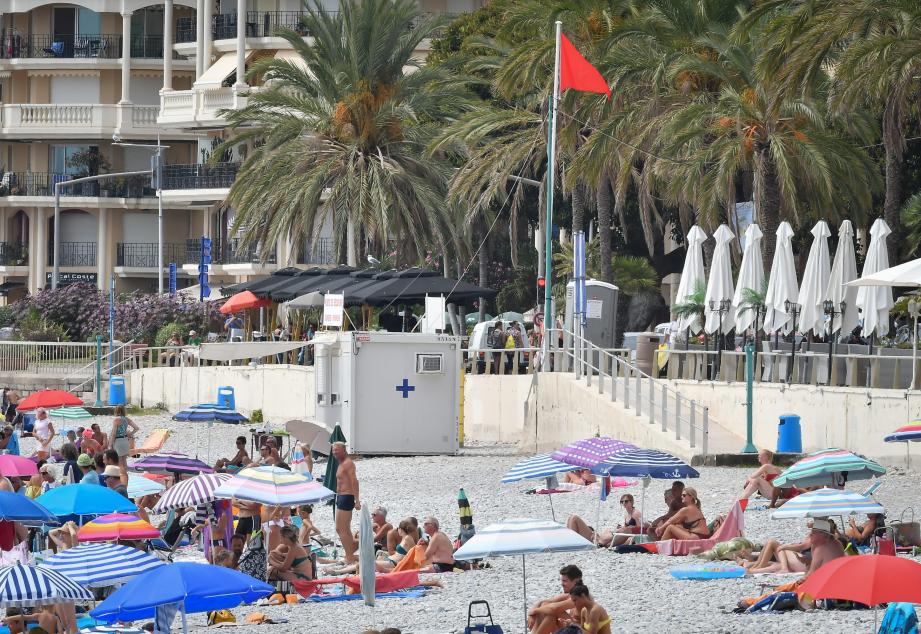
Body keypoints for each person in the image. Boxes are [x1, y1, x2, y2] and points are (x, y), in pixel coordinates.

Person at [527, 565, 583, 634]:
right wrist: (531, 615)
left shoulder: (580, 595)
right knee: (546, 607)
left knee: (551, 612)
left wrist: (534, 611)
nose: (562, 584)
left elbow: (554, 608)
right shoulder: (570, 594)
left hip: (581, 631)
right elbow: (543, 602)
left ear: (575, 581)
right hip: (572, 628)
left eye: (564, 581)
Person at [332, 441, 360, 563]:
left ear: (343, 450)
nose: (335, 452)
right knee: (345, 529)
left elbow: (355, 481)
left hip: (347, 496)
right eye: (333, 450)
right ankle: (350, 553)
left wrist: (357, 500)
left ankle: (349, 557)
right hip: (341, 496)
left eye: (337, 450)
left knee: (340, 528)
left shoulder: (348, 463)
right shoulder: (341, 463)